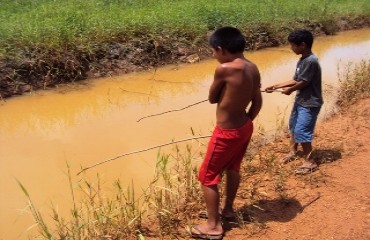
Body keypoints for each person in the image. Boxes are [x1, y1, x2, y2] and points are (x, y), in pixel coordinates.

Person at [190, 26, 262, 239]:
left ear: (221, 49)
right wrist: (248, 120)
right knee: (233, 167)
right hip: (245, 126)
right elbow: (257, 100)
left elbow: (212, 98)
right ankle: (228, 209)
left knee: (207, 176)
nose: (213, 55)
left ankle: (213, 226)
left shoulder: (225, 68)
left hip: (227, 132)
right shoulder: (252, 66)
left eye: (213, 51)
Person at [265, 29, 323, 174]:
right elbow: (296, 79)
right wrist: (276, 86)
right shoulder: (302, 59)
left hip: (310, 102)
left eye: (293, 45)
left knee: (302, 130)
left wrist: (290, 90)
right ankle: (293, 151)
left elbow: (303, 82)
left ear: (302, 45)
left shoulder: (311, 61)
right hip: (301, 100)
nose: (291, 48)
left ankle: (310, 161)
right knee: (294, 125)